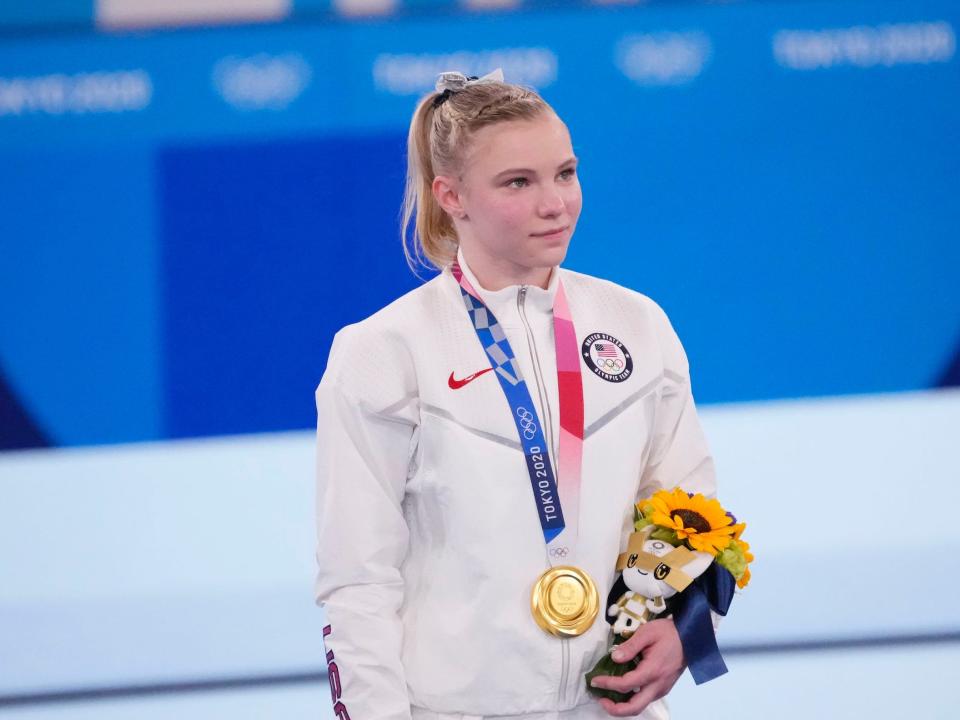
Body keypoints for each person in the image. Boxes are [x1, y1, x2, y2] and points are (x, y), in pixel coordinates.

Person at [314, 70, 717, 720]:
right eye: (518, 183)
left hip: (614, 708)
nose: (556, 203)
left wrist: (686, 626)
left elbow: (686, 505)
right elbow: (358, 581)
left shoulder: (636, 324)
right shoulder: (384, 352)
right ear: (452, 196)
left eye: (565, 173)